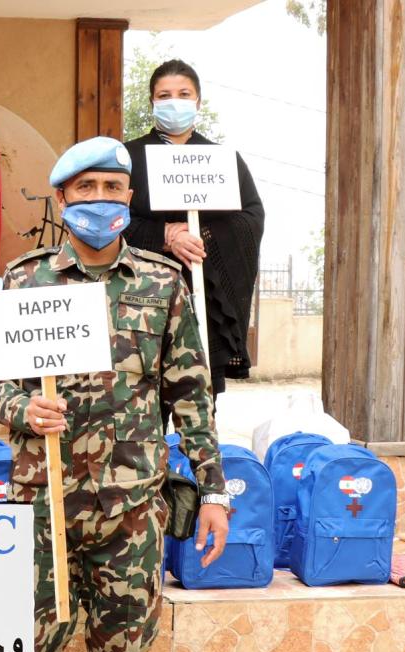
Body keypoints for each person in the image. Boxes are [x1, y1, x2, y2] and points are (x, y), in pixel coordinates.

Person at [0, 138, 230, 652]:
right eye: (86, 189)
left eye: (114, 189)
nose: (101, 201)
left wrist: (212, 486)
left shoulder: (162, 283)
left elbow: (190, 395)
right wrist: (23, 410)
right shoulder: (25, 281)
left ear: (130, 199)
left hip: (130, 510)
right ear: (61, 200)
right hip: (43, 507)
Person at [122, 59, 265, 398]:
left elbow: (251, 216)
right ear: (152, 102)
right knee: (142, 405)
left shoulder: (222, 161)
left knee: (198, 404)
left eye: (184, 94)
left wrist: (203, 237)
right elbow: (112, 217)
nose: (174, 102)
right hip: (142, 304)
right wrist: (165, 236)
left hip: (205, 302)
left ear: (198, 101)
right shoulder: (127, 157)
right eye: (164, 95)